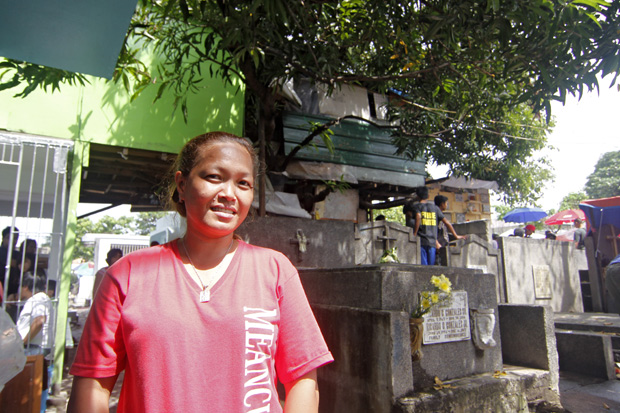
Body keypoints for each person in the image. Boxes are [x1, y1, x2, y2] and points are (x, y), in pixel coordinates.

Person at [68, 132, 333, 412]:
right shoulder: (127, 275)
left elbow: (302, 380)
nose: (229, 194)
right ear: (182, 185)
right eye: (214, 177)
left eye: (243, 183)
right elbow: (93, 386)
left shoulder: (275, 270)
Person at [404, 186, 444, 265]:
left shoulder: (416, 211)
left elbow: (418, 217)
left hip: (422, 242)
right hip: (431, 242)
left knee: (424, 266)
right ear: (428, 196)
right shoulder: (434, 208)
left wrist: (415, 234)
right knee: (430, 266)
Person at [433, 195, 467, 265]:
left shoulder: (438, 212)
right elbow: (447, 224)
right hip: (439, 244)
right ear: (442, 204)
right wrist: (456, 236)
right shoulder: (436, 212)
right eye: (446, 203)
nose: (447, 205)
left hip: (442, 243)